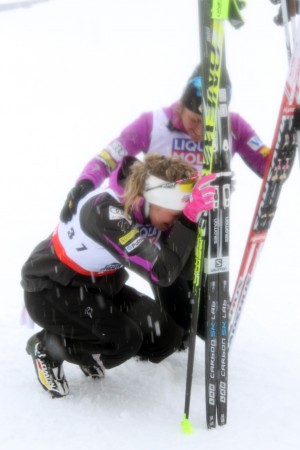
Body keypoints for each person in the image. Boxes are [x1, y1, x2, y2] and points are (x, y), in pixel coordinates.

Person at [58, 64, 270, 339]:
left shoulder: (234, 126)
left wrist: (292, 134)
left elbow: (269, 165)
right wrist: (85, 183)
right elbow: (110, 155)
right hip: (163, 237)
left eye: (208, 126)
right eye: (195, 120)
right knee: (178, 325)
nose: (199, 132)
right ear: (182, 105)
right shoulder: (153, 124)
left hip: (203, 231)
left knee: (209, 326)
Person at [21, 154, 216, 398]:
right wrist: (187, 222)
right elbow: (162, 272)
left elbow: (178, 268)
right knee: (124, 342)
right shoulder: (107, 213)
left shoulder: (145, 203)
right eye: (175, 215)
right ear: (156, 200)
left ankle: (89, 343)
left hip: (98, 287)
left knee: (165, 337)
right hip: (52, 290)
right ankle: (47, 347)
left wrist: (193, 218)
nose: (174, 223)